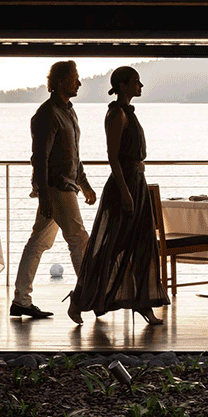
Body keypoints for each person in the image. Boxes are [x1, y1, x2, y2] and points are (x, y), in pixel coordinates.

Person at [67, 66, 168, 325]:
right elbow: (113, 157)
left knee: (144, 244)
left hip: (137, 183)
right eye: (136, 82)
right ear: (123, 86)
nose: (141, 86)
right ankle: (79, 299)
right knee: (110, 248)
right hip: (124, 186)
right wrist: (125, 193)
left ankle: (144, 304)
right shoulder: (117, 114)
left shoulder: (128, 113)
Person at [10, 61, 97, 319]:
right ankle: (89, 295)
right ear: (60, 81)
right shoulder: (47, 114)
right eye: (74, 78)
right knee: (79, 240)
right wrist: (45, 194)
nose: (79, 83)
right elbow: (40, 157)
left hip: (66, 185)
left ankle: (21, 300)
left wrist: (85, 184)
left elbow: (73, 155)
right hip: (57, 188)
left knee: (38, 242)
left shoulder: (68, 112)